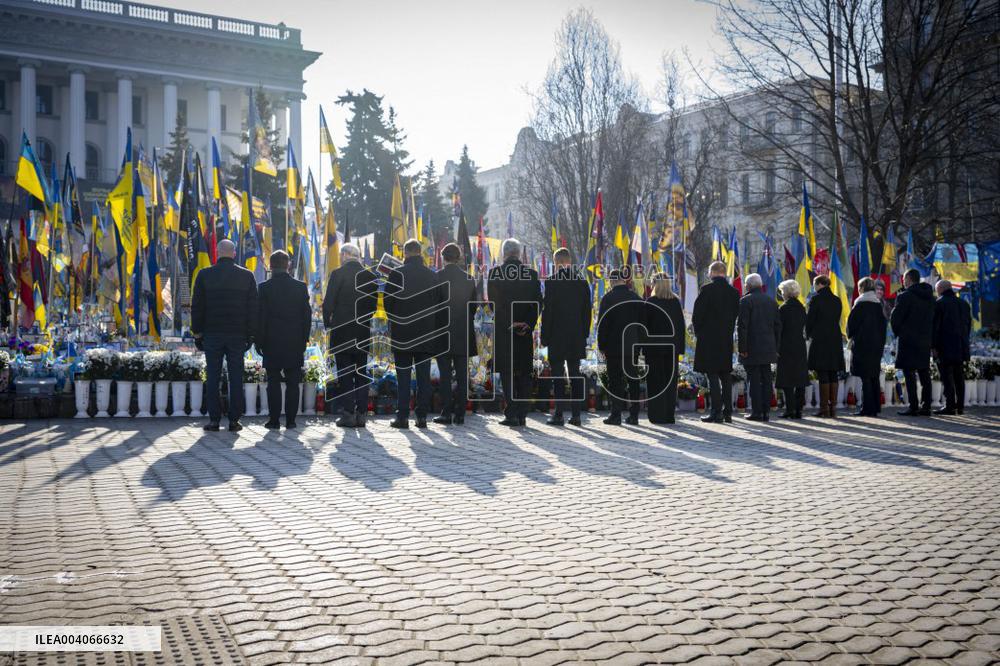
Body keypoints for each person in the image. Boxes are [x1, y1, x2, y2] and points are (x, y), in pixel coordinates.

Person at [191, 239, 258, 432]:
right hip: (237, 334)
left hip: (212, 334)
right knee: (236, 377)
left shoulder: (204, 275)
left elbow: (197, 307)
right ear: (234, 253)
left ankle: (213, 420)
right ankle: (234, 420)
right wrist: (251, 334)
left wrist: (197, 333)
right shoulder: (247, 276)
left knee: (213, 377)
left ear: (216, 252)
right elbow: (253, 308)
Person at [384, 239, 444, 429]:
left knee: (403, 376)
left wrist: (396, 320)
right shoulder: (432, 276)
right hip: (426, 333)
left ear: (406, 254)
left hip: (402, 333)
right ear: (420, 253)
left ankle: (402, 416)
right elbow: (439, 303)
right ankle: (422, 416)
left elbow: (388, 303)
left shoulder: (396, 274)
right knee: (423, 377)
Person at [322, 243, 379, 428]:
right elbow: (372, 307)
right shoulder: (371, 276)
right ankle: (362, 413)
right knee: (361, 372)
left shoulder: (338, 274)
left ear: (346, 255)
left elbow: (328, 303)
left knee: (345, 373)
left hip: (341, 331)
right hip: (362, 332)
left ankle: (348, 413)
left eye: (340, 254)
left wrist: (328, 323)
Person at [488, 238, 541, 427]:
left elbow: (494, 305)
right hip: (524, 332)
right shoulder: (532, 274)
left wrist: (510, 323)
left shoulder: (495, 273)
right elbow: (538, 303)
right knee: (524, 372)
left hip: (504, 331)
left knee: (507, 372)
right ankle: (522, 414)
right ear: (518, 253)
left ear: (504, 253)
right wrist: (526, 323)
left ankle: (511, 412)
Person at [257, 250, 312, 429]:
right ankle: (291, 421)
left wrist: (259, 340)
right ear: (288, 265)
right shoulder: (300, 287)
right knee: (293, 383)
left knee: (272, 381)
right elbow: (307, 316)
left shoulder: (264, 288)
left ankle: (273, 421)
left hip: (271, 341)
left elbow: (261, 316)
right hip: (294, 341)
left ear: (271, 266)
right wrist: (304, 339)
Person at [540, 248, 592, 426]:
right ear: (569, 261)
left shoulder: (552, 282)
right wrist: (584, 333)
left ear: (556, 263)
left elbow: (548, 312)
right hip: (576, 336)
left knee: (557, 375)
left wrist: (544, 336)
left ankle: (559, 413)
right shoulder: (581, 282)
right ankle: (576, 415)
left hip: (556, 336)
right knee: (575, 374)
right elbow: (587, 312)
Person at [433, 243, 478, 425]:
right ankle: (460, 412)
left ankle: (446, 412)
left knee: (445, 375)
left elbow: (433, 306)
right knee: (462, 375)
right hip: (463, 331)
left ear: (443, 258)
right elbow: (473, 307)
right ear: (458, 258)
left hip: (443, 333)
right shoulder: (468, 278)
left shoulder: (438, 277)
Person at [693, 261, 740, 423]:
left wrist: (699, 333)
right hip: (725, 339)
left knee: (712, 375)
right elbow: (735, 315)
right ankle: (728, 412)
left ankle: (716, 412)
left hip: (708, 339)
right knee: (725, 375)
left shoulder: (707, 290)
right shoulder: (734, 292)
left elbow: (697, 316)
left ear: (712, 272)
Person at [597, 269, 643, 425]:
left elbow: (602, 325)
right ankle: (634, 415)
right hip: (632, 346)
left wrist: (602, 346)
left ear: (611, 281)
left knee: (615, 380)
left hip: (613, 346)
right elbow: (643, 324)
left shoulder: (607, 299)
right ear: (624, 281)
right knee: (633, 380)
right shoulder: (635, 298)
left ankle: (615, 414)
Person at [737, 273, 781, 421]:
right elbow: (777, 326)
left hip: (751, 348)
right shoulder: (771, 301)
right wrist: (776, 347)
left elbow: (742, 327)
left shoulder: (745, 301)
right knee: (767, 379)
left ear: (748, 286)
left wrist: (742, 348)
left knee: (754, 380)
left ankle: (756, 411)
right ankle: (766, 411)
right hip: (768, 347)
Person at [891, 268, 935, 416]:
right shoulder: (930, 297)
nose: (903, 281)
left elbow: (895, 319)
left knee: (909, 374)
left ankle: (914, 406)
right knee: (924, 373)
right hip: (924, 340)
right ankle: (927, 406)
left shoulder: (905, 296)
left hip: (908, 340)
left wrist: (900, 333)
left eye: (904, 278)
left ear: (909, 279)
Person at [643, 273, 685, 424]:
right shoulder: (675, 302)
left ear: (655, 284)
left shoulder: (651, 302)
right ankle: (669, 415)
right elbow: (680, 326)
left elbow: (644, 327)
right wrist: (680, 348)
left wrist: (642, 347)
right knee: (670, 382)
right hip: (671, 349)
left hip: (654, 349)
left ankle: (656, 414)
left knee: (655, 382)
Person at [847, 277, 888, 417]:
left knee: (865, 378)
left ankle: (867, 408)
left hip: (863, 346)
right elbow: (884, 326)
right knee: (874, 376)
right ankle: (876, 407)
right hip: (876, 346)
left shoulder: (860, 304)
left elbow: (851, 326)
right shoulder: (878, 305)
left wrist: (850, 336)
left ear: (862, 288)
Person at [932, 279, 972, 415]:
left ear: (940, 290)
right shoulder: (964, 304)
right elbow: (968, 327)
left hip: (944, 347)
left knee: (947, 377)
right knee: (959, 377)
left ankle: (949, 406)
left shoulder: (939, 304)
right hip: (961, 346)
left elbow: (936, 328)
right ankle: (960, 406)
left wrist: (933, 346)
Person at [807, 274, 845, 417]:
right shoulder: (837, 300)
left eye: (815, 284)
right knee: (833, 372)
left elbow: (810, 320)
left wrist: (808, 334)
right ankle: (833, 408)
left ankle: (824, 409)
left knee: (823, 372)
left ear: (820, 284)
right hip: (834, 338)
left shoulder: (816, 299)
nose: (814, 287)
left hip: (820, 339)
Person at [775, 279, 808, 419]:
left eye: (782, 291)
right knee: (799, 378)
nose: (782, 294)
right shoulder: (802, 307)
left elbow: (778, 329)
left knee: (787, 380)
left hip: (786, 345)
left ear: (787, 293)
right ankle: (799, 409)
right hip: (799, 345)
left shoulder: (783, 308)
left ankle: (790, 409)